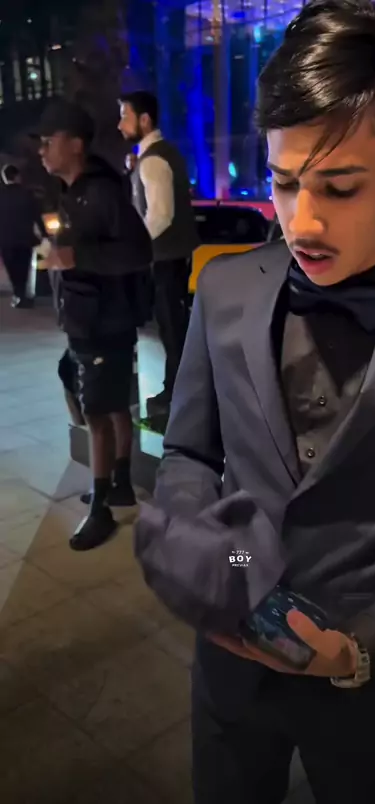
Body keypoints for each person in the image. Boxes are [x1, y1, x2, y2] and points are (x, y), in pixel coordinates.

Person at [135, 2, 375, 804]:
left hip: (367, 684)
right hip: (228, 667)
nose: (302, 221)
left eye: (340, 186)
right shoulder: (225, 289)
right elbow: (190, 451)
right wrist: (208, 555)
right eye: (284, 182)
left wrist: (359, 647)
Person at [37, 100, 152, 551]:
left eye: (49, 141)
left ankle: (100, 508)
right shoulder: (71, 191)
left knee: (96, 413)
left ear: (76, 145)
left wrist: (75, 256)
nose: (42, 150)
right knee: (108, 400)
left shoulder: (102, 191)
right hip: (89, 318)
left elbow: (138, 251)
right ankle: (119, 482)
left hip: (105, 320)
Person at [118, 91, 199, 414]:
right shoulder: (156, 155)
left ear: (144, 119)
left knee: (172, 328)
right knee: (171, 326)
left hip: (166, 257)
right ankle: (178, 389)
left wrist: (134, 247)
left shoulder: (153, 160)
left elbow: (160, 216)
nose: (120, 124)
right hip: (171, 256)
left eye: (124, 116)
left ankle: (178, 392)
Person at [0, 163, 46, 308]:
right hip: (24, 238)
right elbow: (37, 215)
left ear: (4, 178)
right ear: (17, 177)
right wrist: (44, 233)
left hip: (5, 239)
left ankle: (18, 294)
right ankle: (21, 295)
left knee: (12, 268)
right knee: (23, 268)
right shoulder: (27, 194)